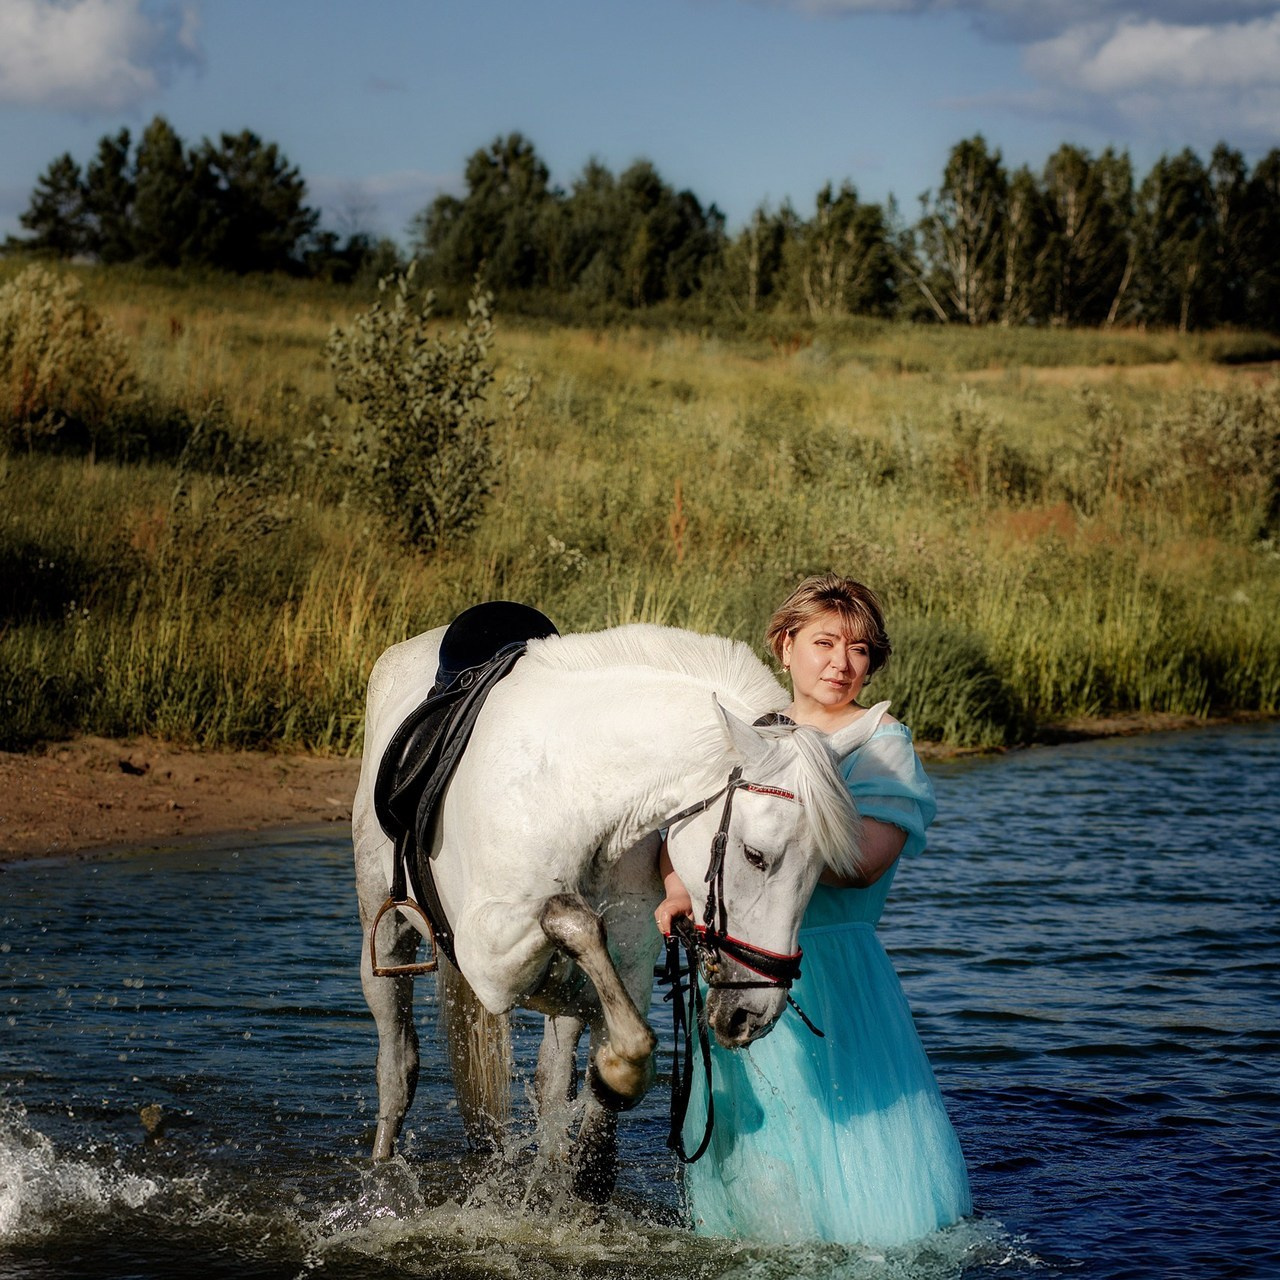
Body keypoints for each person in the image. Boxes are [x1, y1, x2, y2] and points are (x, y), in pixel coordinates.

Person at [655, 573, 971, 1245]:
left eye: (859, 649)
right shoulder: (750, 735)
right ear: (785, 645)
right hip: (738, 959)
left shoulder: (882, 743)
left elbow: (864, 864)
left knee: (844, 1134)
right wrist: (679, 888)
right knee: (752, 1141)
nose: (841, 663)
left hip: (833, 969)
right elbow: (690, 829)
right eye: (824, 643)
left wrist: (769, 844)